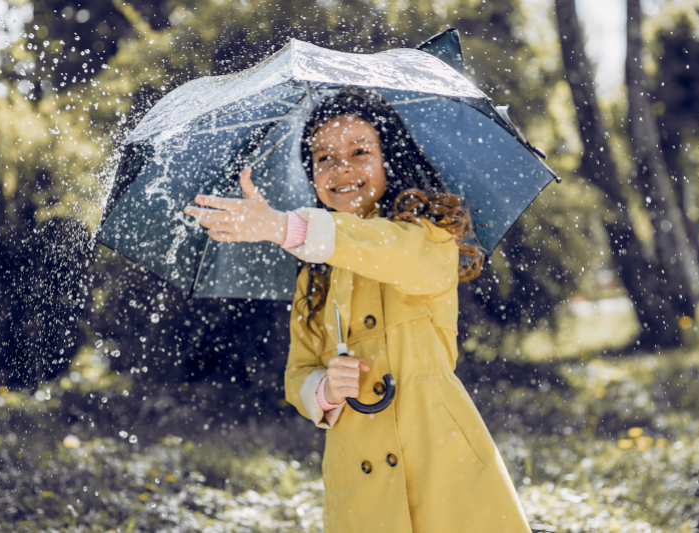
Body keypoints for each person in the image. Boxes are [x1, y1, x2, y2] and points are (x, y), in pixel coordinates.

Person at [183, 87, 531, 533]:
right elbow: (298, 372)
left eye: (360, 151)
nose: (340, 168)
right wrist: (325, 389)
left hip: (440, 457)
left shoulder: (428, 235)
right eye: (324, 157)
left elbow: (394, 255)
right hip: (359, 474)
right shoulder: (315, 270)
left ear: (390, 158)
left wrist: (283, 226)